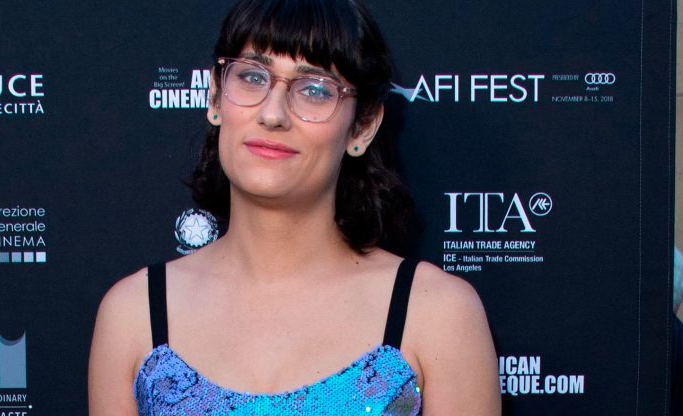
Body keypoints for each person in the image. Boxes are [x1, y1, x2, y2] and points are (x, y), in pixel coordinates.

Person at [88, 0, 501, 414]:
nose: (272, 114)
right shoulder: (134, 314)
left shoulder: (436, 314)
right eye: (252, 77)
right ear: (215, 96)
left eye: (315, 90)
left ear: (363, 126)